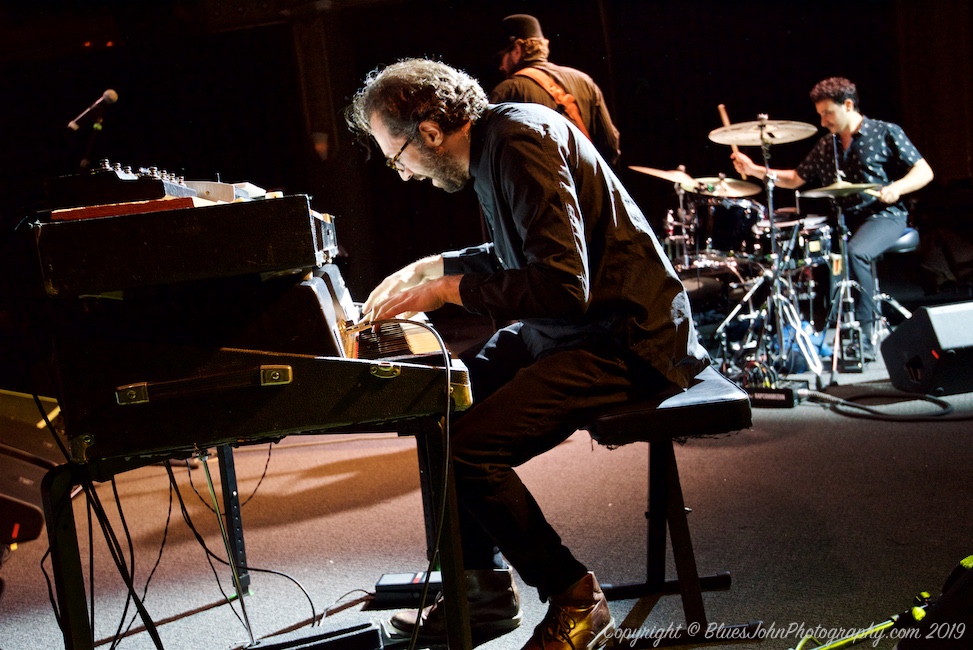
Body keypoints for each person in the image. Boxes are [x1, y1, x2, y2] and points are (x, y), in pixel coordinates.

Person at [346, 58, 708, 649]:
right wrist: (435, 266)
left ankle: (574, 597)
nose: (405, 175)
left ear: (430, 131)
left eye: (396, 156)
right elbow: (520, 250)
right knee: (441, 407)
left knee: (466, 453)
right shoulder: (496, 142)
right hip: (571, 329)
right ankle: (481, 588)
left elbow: (564, 286)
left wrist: (448, 289)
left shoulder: (516, 141)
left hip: (626, 338)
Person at [731, 77, 934, 357]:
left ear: (848, 105)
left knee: (856, 252)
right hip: (844, 219)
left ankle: (866, 333)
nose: (824, 121)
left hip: (885, 215)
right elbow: (794, 179)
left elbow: (924, 171)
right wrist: (754, 169)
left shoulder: (886, 132)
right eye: (820, 115)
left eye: (828, 113)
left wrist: (896, 188)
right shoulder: (829, 145)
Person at [489, 14, 621, 166]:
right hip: (587, 186)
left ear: (517, 50)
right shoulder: (585, 81)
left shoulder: (506, 91)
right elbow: (610, 145)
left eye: (501, 58)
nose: (501, 67)